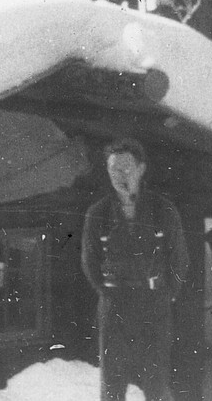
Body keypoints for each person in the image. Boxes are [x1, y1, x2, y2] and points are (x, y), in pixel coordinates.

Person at [81, 138, 190, 401]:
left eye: (126, 168)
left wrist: (165, 294)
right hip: (115, 306)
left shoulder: (163, 210)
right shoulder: (99, 214)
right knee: (112, 384)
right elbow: (90, 262)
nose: (119, 176)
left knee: (156, 381)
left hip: (154, 305)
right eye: (113, 169)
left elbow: (179, 259)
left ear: (141, 169)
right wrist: (108, 292)